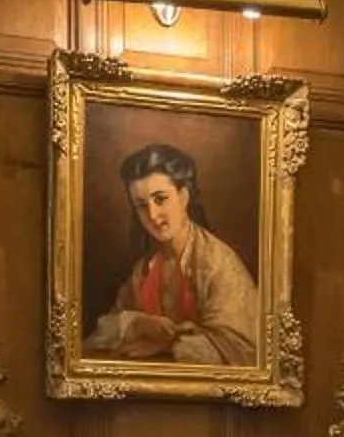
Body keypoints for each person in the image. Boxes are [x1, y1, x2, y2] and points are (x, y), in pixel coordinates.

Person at [83, 143, 261, 365]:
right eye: (141, 205)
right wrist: (134, 323)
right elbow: (99, 337)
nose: (153, 215)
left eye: (160, 199)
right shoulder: (145, 269)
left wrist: (169, 344)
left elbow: (245, 352)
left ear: (183, 196)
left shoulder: (219, 265)